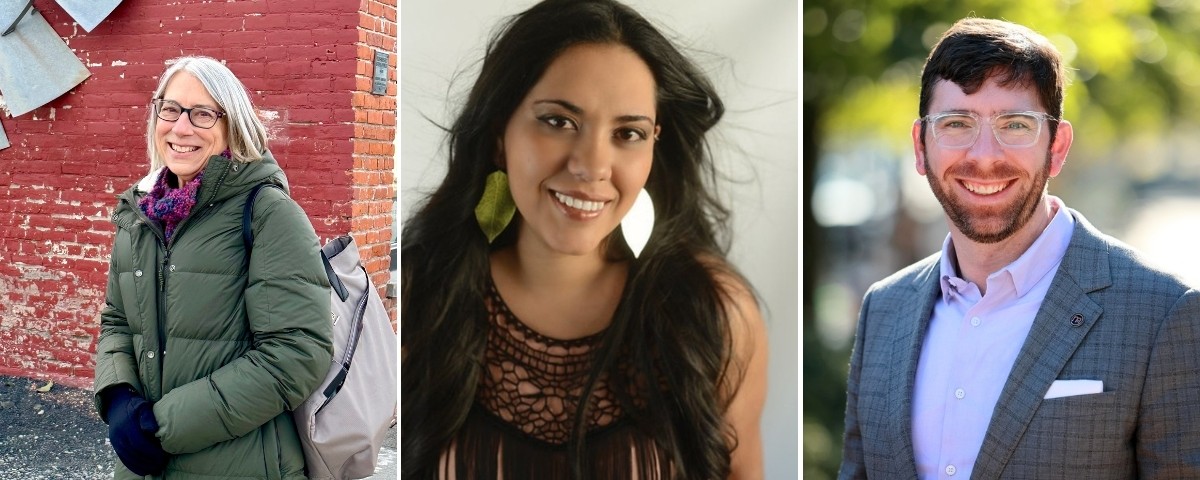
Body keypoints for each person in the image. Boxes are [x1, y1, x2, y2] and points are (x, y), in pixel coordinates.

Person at [400, 0, 768, 478]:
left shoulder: (713, 311)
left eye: (628, 133)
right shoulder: (414, 295)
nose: (591, 167)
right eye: (559, 121)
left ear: (654, 146)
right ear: (499, 135)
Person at [839, 17, 1200, 479]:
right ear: (920, 145)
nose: (985, 156)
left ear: (1057, 146)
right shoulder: (883, 308)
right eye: (956, 123)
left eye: (1015, 125)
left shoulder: (1163, 313)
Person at [92, 56, 333, 479]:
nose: (181, 128)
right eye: (170, 109)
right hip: (143, 464)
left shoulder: (268, 213)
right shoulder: (140, 214)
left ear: (231, 125)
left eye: (202, 114)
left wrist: (162, 427)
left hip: (244, 464)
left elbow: (296, 353)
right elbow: (117, 320)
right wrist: (117, 396)